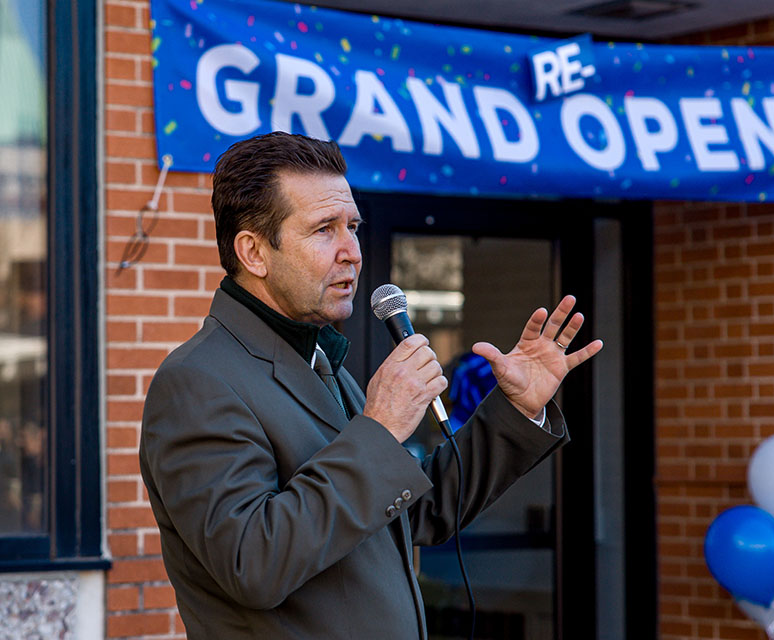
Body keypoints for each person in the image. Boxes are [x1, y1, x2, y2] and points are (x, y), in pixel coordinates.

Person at [139, 132, 602, 640]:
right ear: (253, 252)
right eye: (323, 230)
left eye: (353, 227)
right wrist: (380, 428)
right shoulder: (197, 381)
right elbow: (254, 561)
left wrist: (516, 411)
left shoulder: (321, 363)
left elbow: (415, 513)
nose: (352, 252)